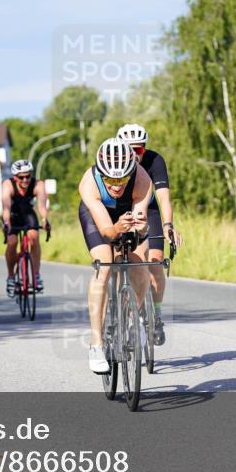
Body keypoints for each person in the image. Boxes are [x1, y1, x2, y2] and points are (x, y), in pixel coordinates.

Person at [78, 138, 152, 374]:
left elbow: (140, 225)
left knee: (140, 265)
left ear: (132, 171)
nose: (117, 185)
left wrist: (138, 228)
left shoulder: (142, 180)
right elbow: (107, 231)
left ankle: (133, 319)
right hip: (98, 216)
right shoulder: (89, 183)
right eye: (110, 179)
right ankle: (96, 344)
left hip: (126, 211)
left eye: (122, 179)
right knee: (105, 264)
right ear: (101, 173)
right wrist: (117, 228)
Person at [116, 124, 183, 345]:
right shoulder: (114, 162)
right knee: (123, 261)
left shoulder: (155, 161)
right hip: (121, 212)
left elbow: (164, 198)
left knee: (154, 264)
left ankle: (156, 314)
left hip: (149, 212)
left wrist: (168, 225)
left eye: (140, 150)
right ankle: (120, 313)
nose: (136, 155)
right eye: (130, 150)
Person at [1, 159, 50, 297]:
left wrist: (45, 220)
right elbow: (6, 207)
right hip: (12, 214)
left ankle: (36, 275)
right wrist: (6, 223)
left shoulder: (38, 184)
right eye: (21, 177)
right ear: (14, 177)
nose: (25, 180)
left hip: (28, 213)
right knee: (12, 242)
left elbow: (41, 206)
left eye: (28, 176)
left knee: (34, 237)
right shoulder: (7, 185)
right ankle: (11, 277)